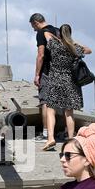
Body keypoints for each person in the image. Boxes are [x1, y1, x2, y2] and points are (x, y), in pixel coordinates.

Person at [41, 24, 92, 151]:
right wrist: (71, 41)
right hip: (70, 82)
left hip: (55, 80)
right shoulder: (74, 48)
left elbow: (46, 34)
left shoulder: (54, 45)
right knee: (69, 112)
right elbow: (89, 50)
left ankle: (51, 138)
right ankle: (70, 139)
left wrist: (58, 38)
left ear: (59, 34)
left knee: (50, 109)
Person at [29, 13, 58, 143]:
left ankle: (46, 133)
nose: (34, 29)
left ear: (36, 22)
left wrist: (37, 74)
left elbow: (41, 55)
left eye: (33, 26)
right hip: (61, 72)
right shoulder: (57, 31)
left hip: (47, 71)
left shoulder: (41, 32)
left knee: (45, 102)